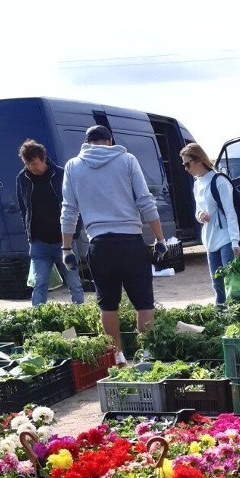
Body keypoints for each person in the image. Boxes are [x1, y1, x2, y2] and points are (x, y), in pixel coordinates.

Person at [61, 125, 168, 365]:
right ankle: (146, 356)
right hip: (130, 241)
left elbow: (69, 211)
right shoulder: (127, 160)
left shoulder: (73, 167)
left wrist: (66, 249)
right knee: (143, 303)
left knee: (108, 305)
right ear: (110, 141)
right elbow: (145, 201)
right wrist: (160, 239)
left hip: (99, 245)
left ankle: (118, 358)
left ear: (86, 143)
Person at [16, 140, 86, 307]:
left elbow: (77, 204)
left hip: (64, 241)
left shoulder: (61, 174)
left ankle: (81, 315)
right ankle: (38, 320)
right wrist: (29, 234)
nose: (31, 168)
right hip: (39, 242)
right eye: (27, 164)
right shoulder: (22, 178)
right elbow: (23, 208)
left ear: (44, 158)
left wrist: (75, 232)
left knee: (74, 282)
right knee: (39, 283)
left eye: (34, 163)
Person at [179, 142, 240, 306]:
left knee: (231, 283)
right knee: (217, 285)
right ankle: (221, 318)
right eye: (184, 165)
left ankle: (236, 317)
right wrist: (200, 215)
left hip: (226, 238)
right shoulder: (197, 184)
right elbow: (198, 211)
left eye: (188, 164)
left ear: (199, 160)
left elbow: (230, 212)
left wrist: (235, 241)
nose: (186, 169)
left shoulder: (219, 181)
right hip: (209, 239)